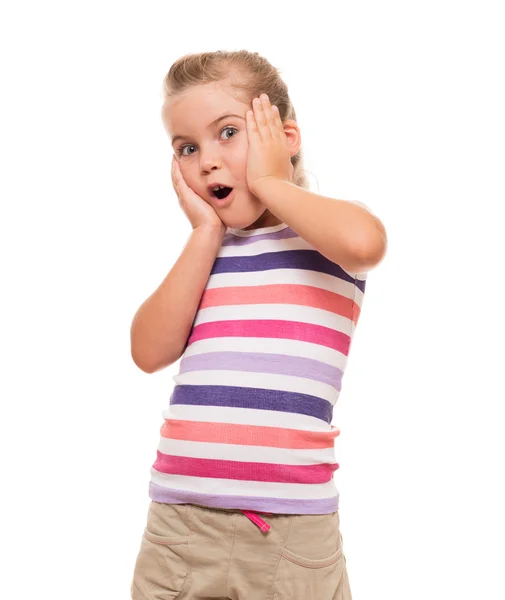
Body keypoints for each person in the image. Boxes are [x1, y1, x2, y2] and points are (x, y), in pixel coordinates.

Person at [129, 49, 387, 600]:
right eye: (187, 148)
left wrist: (271, 182)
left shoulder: (326, 237)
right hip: (179, 524)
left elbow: (367, 243)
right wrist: (203, 235)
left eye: (227, 133)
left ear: (285, 136)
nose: (206, 162)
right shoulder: (208, 252)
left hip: (292, 533)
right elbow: (148, 351)